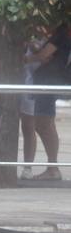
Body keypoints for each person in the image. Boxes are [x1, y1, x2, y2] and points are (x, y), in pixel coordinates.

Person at [22, 22, 67, 179]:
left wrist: (25, 59)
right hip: (46, 81)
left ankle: (53, 168)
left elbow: (44, 56)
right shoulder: (58, 35)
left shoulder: (62, 34)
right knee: (46, 124)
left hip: (48, 82)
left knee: (43, 124)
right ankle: (52, 167)